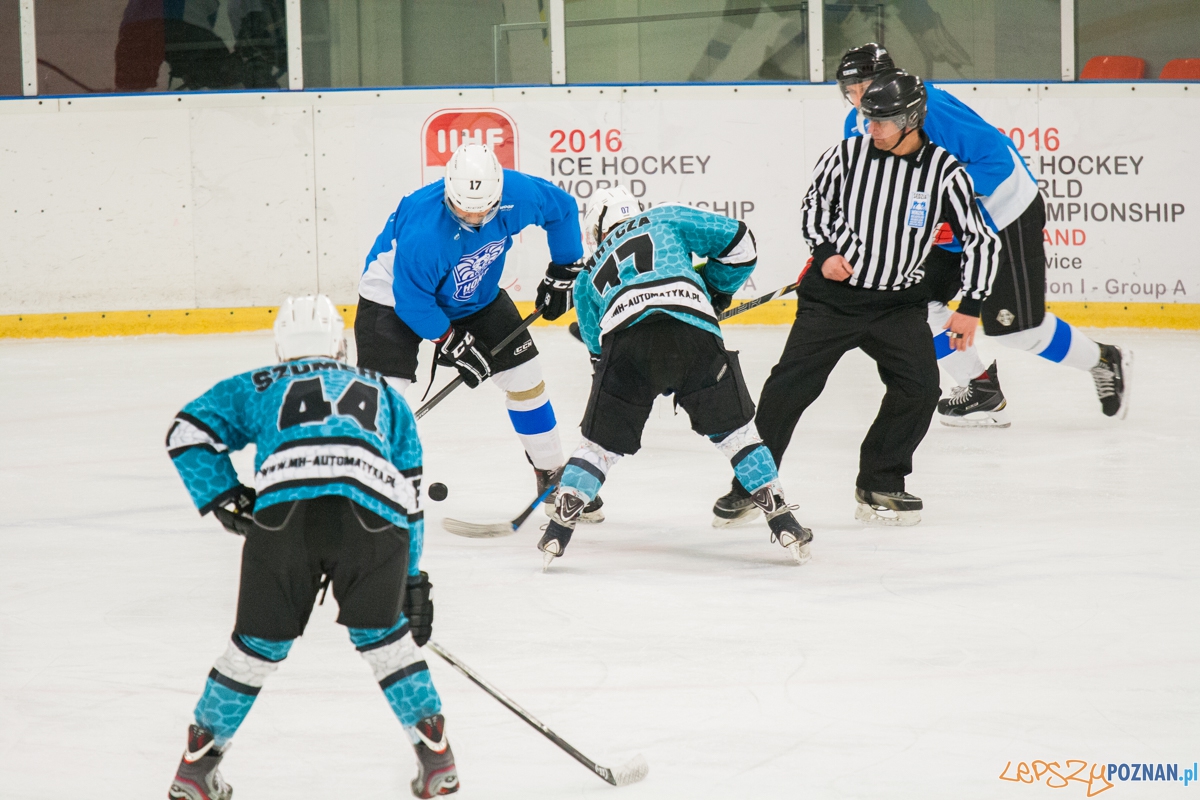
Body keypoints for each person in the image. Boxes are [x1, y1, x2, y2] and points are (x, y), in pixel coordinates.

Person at [164, 296, 458, 800]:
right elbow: (410, 492)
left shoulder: (261, 383)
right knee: (386, 642)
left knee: (255, 648)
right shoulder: (385, 392)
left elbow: (186, 432)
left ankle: (196, 769)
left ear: (281, 348)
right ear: (340, 346)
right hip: (372, 516)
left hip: (286, 516)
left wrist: (227, 498)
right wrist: (411, 578)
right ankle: (436, 760)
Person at [713, 71, 1000, 528]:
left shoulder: (944, 172)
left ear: (911, 120)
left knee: (919, 389)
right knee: (789, 387)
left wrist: (971, 307)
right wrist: (825, 252)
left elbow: (983, 240)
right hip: (832, 302)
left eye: (881, 121)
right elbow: (814, 208)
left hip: (898, 304)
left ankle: (880, 481)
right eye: (868, 119)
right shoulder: (846, 155)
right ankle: (751, 484)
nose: (871, 129)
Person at [837, 43, 1132, 426]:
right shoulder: (857, 126)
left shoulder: (930, 108)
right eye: (850, 90)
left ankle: (1104, 360)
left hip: (1003, 216)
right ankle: (980, 389)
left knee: (1017, 331)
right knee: (908, 304)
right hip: (949, 230)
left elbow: (996, 164)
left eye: (864, 86)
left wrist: (939, 201)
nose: (858, 98)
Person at [538, 187, 813, 569]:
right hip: (693, 336)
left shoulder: (586, 277)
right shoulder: (664, 217)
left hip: (626, 347)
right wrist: (714, 289)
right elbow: (740, 244)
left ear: (597, 229)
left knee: (597, 449)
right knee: (738, 436)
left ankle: (558, 530)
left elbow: (598, 353)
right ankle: (783, 521)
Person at [354, 142, 602, 520]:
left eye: (483, 209)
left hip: (473, 296)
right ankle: (366, 481)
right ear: (447, 192)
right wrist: (451, 341)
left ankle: (552, 475)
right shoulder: (425, 232)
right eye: (462, 208)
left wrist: (564, 269)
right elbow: (412, 302)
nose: (472, 217)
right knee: (386, 393)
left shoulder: (518, 195)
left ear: (499, 194)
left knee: (525, 376)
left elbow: (563, 209)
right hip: (392, 297)